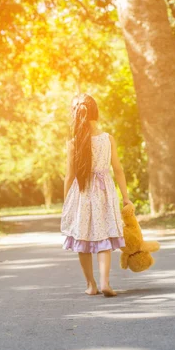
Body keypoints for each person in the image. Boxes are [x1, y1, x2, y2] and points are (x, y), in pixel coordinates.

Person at [60, 93, 133, 297]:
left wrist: (67, 204)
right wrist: (125, 197)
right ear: (96, 113)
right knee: (103, 236)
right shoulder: (107, 139)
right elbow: (118, 169)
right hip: (104, 192)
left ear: (75, 116)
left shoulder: (73, 142)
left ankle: (91, 285)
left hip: (82, 193)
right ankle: (105, 282)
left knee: (82, 239)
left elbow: (69, 176)